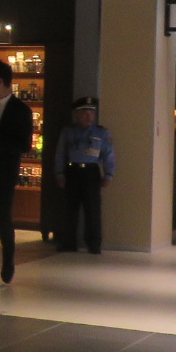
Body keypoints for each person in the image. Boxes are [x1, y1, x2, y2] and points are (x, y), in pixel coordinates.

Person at [0, 60, 35, 287]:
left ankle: (8, 261)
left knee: (3, 219)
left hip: (5, 172)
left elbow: (24, 145)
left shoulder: (21, 110)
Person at [54, 96, 115, 254]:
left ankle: (94, 244)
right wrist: (59, 173)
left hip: (91, 172)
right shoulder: (68, 132)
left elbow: (108, 154)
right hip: (72, 171)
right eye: (85, 112)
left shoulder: (101, 133)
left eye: (91, 112)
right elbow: (60, 153)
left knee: (93, 210)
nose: (89, 116)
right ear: (77, 114)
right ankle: (69, 243)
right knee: (70, 209)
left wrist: (109, 174)